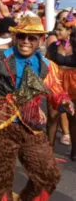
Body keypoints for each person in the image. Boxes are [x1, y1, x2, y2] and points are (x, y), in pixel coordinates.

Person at [0, 16, 75, 200]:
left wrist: (64, 101)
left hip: (31, 126)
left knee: (49, 174)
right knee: (0, 182)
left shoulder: (47, 66)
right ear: (15, 36)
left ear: (40, 40)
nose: (26, 41)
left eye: (32, 38)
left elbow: (55, 91)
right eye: (22, 36)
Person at [46, 15, 76, 155]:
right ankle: (49, 149)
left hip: (73, 82)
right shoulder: (53, 47)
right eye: (56, 30)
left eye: (59, 30)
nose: (56, 33)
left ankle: (74, 151)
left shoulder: (75, 45)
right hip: (56, 81)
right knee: (53, 116)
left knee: (73, 118)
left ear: (69, 31)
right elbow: (45, 63)